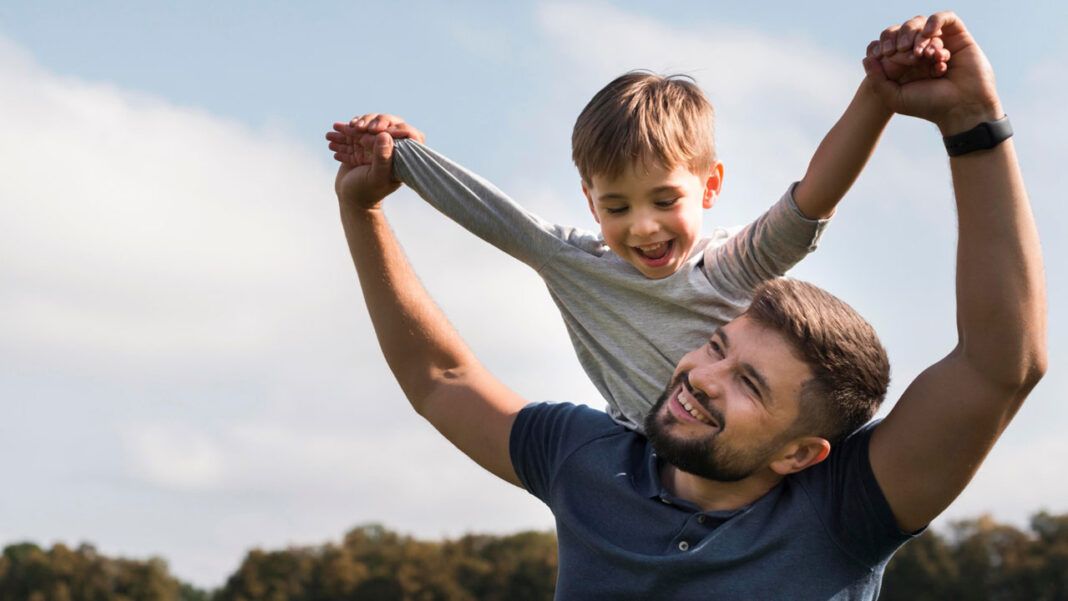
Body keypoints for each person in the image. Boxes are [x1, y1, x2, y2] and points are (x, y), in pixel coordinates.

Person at [334, 12, 1046, 599]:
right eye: (717, 346)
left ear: (802, 451)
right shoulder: (586, 461)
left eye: (750, 384)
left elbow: (999, 366)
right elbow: (441, 379)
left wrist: (974, 124)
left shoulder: (845, 511)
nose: (706, 376)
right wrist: (361, 210)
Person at [326, 33, 949, 434]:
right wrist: (396, 153)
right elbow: (490, 212)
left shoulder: (728, 268)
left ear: (709, 188)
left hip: (761, 463)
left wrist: (879, 93)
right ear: (590, 203)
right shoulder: (574, 262)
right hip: (643, 461)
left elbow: (814, 196)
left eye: (665, 199)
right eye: (617, 206)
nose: (643, 226)